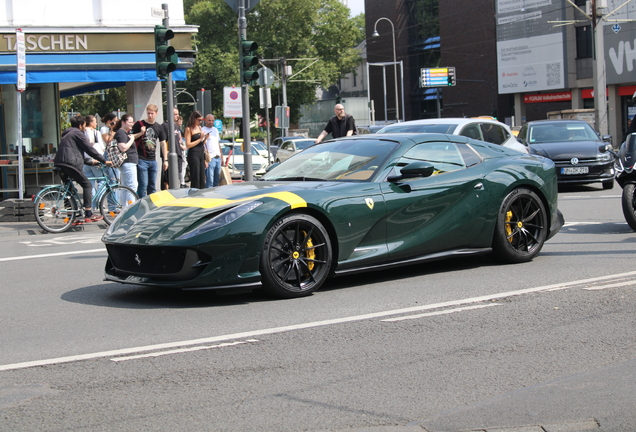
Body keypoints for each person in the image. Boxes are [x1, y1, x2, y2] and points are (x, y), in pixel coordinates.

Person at [53, 115, 112, 223]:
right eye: (84, 125)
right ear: (80, 125)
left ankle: (72, 216)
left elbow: (75, 153)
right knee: (87, 185)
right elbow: (89, 149)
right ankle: (88, 213)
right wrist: (103, 160)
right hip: (70, 164)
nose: (85, 128)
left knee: (69, 189)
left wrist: (91, 162)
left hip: (60, 163)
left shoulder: (68, 134)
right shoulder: (78, 133)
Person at [131, 104, 168, 197]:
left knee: (152, 186)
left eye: (152, 113)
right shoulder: (139, 124)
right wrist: (141, 133)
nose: (150, 115)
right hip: (141, 158)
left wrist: (165, 160)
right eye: (148, 113)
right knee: (143, 185)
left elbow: (163, 144)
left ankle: (151, 206)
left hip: (153, 160)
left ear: (156, 113)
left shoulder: (159, 127)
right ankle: (142, 206)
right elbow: (131, 137)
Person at [114, 114, 138, 199]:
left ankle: (125, 207)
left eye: (133, 122)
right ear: (123, 122)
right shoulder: (121, 133)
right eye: (130, 122)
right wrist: (132, 139)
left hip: (127, 163)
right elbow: (123, 148)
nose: (132, 124)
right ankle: (131, 208)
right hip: (128, 162)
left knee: (126, 187)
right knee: (132, 186)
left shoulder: (123, 132)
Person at [82, 115, 107, 196]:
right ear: (91, 123)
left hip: (85, 161)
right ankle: (100, 200)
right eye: (95, 122)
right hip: (95, 160)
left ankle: (92, 203)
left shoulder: (82, 132)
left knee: (90, 183)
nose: (96, 124)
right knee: (102, 180)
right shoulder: (96, 132)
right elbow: (101, 146)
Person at [185, 111, 209, 189]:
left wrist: (205, 139)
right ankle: (195, 192)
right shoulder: (189, 129)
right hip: (194, 153)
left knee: (202, 176)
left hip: (201, 152)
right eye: (199, 120)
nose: (200, 122)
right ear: (194, 119)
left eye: (202, 120)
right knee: (196, 175)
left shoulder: (199, 127)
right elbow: (188, 145)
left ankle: (202, 191)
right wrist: (200, 139)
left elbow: (201, 143)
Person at [161, 108, 184, 190]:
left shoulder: (176, 126)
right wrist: (165, 158)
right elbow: (163, 142)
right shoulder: (164, 126)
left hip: (178, 154)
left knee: (176, 177)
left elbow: (178, 140)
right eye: (175, 114)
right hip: (169, 156)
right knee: (167, 178)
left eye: (178, 114)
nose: (177, 116)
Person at [202, 114, 222, 187]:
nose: (211, 122)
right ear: (205, 120)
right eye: (209, 120)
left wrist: (221, 156)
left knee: (217, 180)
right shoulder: (203, 130)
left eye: (212, 120)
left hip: (217, 157)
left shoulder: (215, 130)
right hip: (210, 158)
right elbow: (202, 145)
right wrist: (205, 160)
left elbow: (218, 143)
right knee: (210, 180)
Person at [176, 115, 187, 187]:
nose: (181, 122)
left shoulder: (179, 129)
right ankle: (181, 181)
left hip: (182, 149)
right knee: (181, 165)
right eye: (179, 120)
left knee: (184, 164)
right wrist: (181, 146)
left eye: (181, 120)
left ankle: (182, 180)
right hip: (179, 150)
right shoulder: (175, 130)